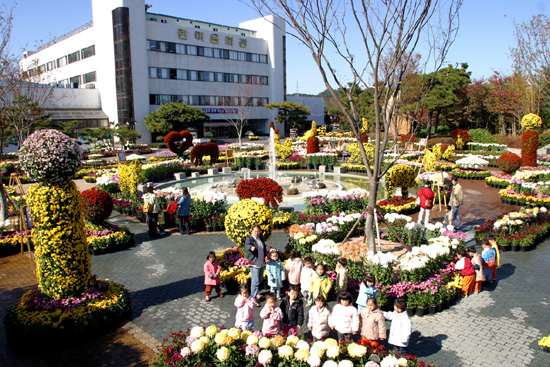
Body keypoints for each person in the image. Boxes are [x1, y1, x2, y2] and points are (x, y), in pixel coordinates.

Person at [245, 225, 268, 303]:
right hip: (254, 263)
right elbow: (246, 245)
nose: (257, 233)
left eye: (258, 231)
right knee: (255, 281)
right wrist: (251, 247)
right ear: (252, 231)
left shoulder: (260, 238)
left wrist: (270, 249)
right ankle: (253, 298)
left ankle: (256, 293)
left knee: (260, 279)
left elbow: (264, 247)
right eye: (255, 231)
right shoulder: (249, 238)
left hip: (261, 262)